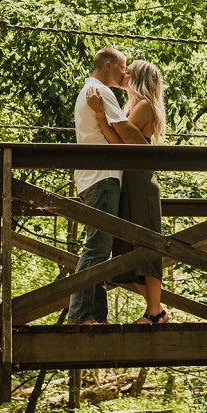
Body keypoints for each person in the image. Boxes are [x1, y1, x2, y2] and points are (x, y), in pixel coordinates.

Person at [86, 59, 170, 325]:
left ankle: (154, 313)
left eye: (128, 73)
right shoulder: (133, 106)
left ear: (139, 79)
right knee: (128, 251)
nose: (123, 75)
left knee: (147, 247)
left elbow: (119, 140)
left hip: (140, 186)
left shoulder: (145, 106)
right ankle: (157, 310)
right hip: (130, 184)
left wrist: (100, 115)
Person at [67, 47, 147, 325]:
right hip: (102, 177)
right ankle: (80, 315)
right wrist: (150, 149)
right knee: (97, 248)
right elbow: (125, 131)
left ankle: (95, 316)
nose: (125, 73)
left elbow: (112, 134)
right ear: (109, 65)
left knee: (99, 247)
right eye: (123, 67)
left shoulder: (88, 91)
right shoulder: (101, 92)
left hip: (92, 176)